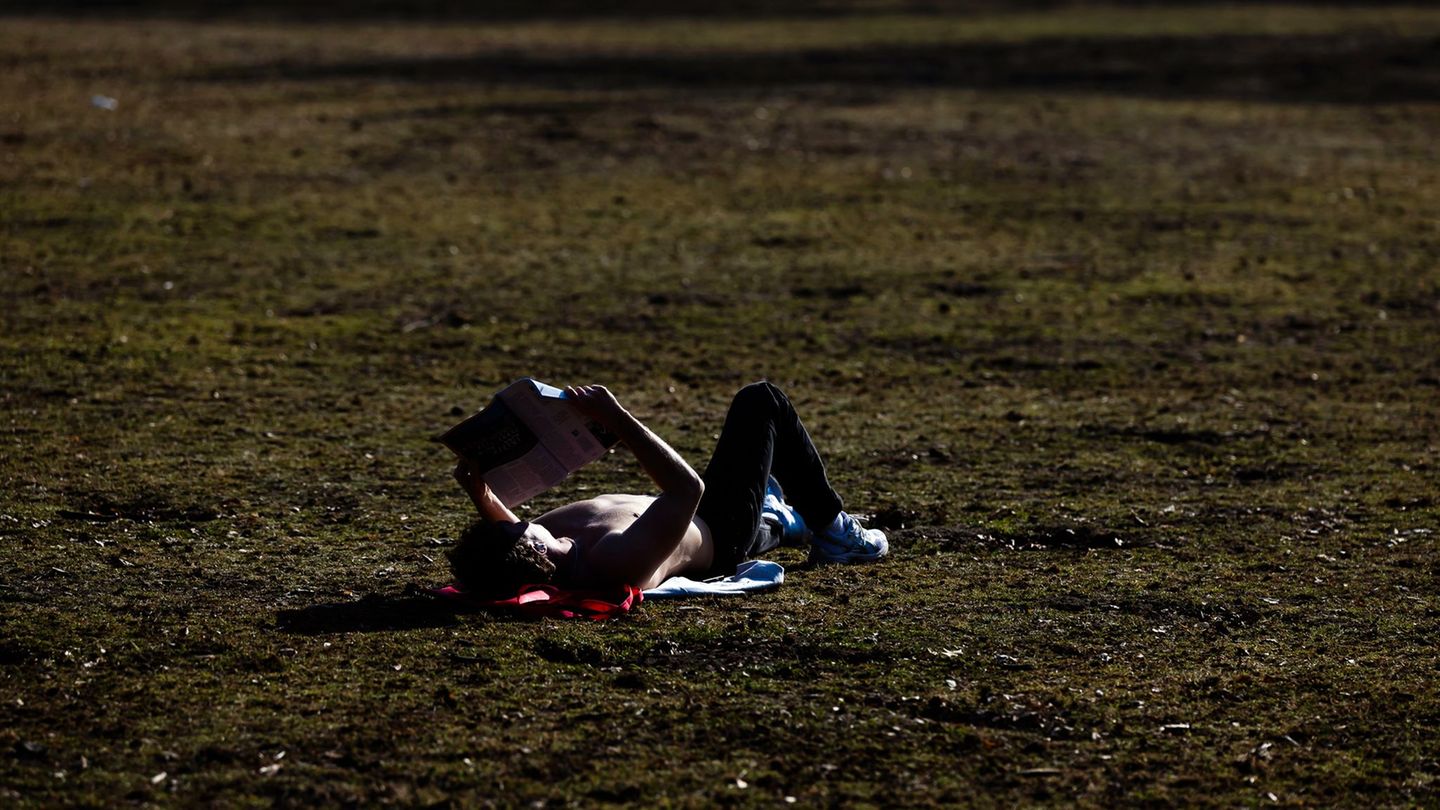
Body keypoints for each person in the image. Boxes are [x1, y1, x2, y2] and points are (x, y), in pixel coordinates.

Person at [447, 382, 888, 594]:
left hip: (690, 513)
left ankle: (777, 514)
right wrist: (615, 418)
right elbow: (686, 489)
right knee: (762, 401)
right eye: (524, 528)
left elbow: (510, 541)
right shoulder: (610, 563)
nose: (523, 520)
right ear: (537, 552)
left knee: (766, 496)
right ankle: (834, 533)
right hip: (718, 523)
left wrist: (479, 491)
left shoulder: (542, 550)